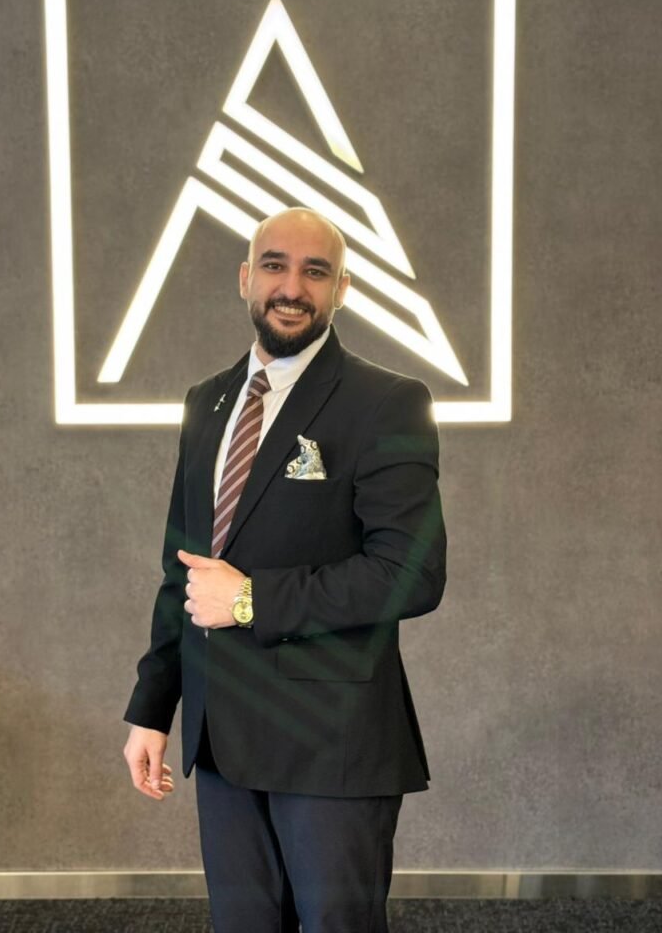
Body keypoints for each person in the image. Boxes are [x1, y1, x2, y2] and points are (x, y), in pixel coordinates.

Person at [123, 207, 447, 933]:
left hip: (331, 743)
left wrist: (250, 599)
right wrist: (152, 707)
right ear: (246, 278)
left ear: (342, 289)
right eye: (274, 266)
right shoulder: (207, 402)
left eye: (315, 271)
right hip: (222, 737)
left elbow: (412, 571)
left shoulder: (387, 402)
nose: (292, 287)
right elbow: (184, 570)